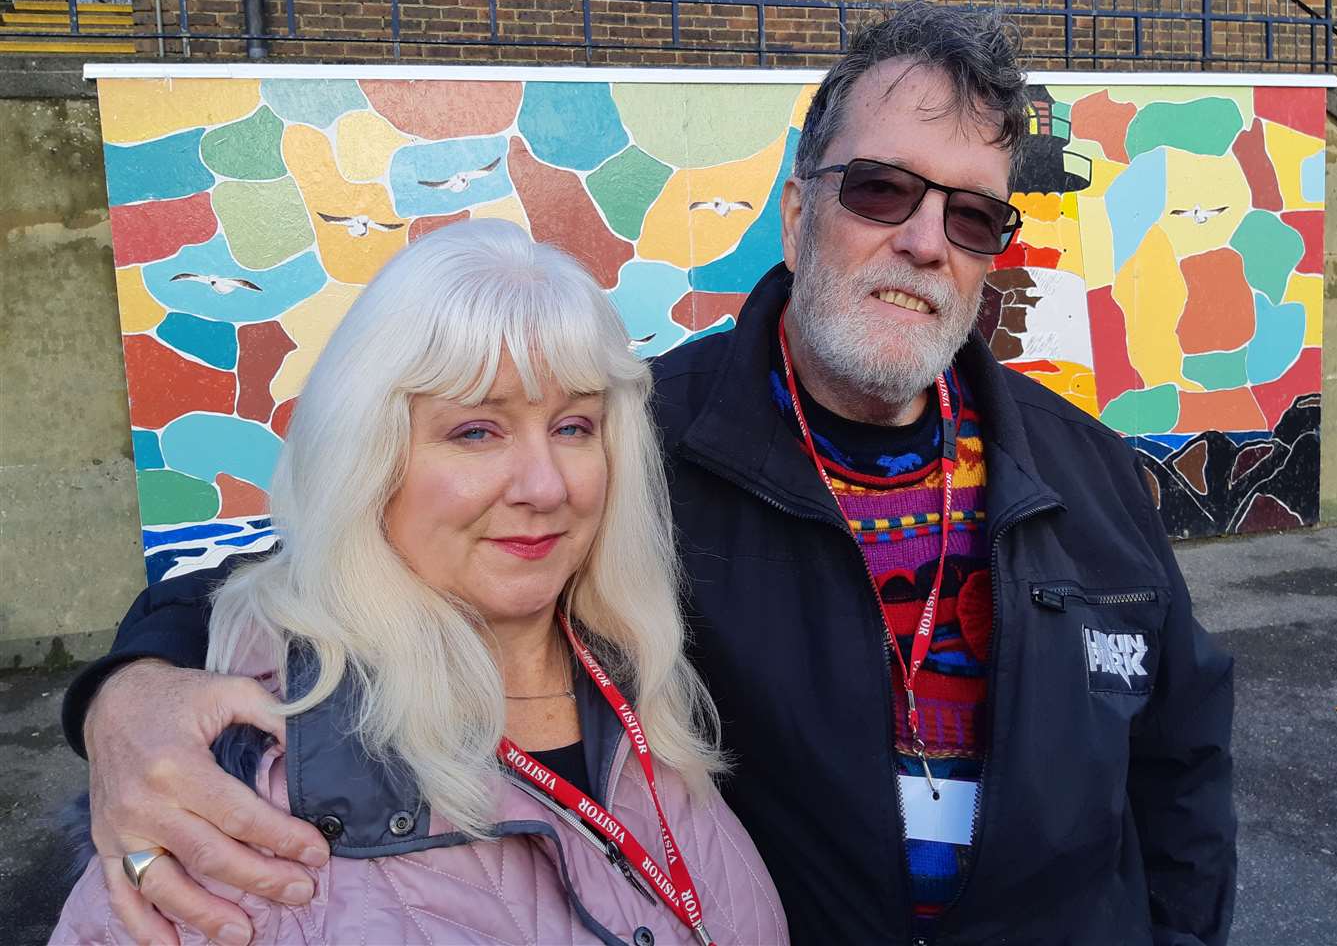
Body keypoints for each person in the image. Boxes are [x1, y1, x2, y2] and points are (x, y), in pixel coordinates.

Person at [64, 3, 1235, 945]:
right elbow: (346, 545)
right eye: (883, 190)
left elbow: (1181, 762)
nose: (924, 241)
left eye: (973, 216)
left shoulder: (1085, 469)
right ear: (797, 208)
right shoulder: (633, 440)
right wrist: (127, 692)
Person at [51, 222, 788, 944]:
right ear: (367, 460)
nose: (545, 485)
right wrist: (122, 691)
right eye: (476, 431)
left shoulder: (646, 673)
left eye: (573, 428)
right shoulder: (237, 783)